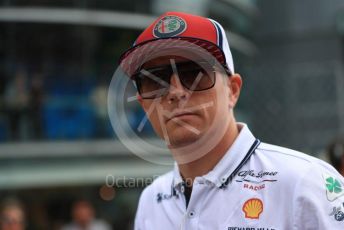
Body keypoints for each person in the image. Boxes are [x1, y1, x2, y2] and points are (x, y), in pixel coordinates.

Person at [118, 11, 344, 229]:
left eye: (193, 74)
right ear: (143, 104)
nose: (175, 92)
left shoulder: (306, 184)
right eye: (155, 81)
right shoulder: (152, 200)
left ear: (232, 90)